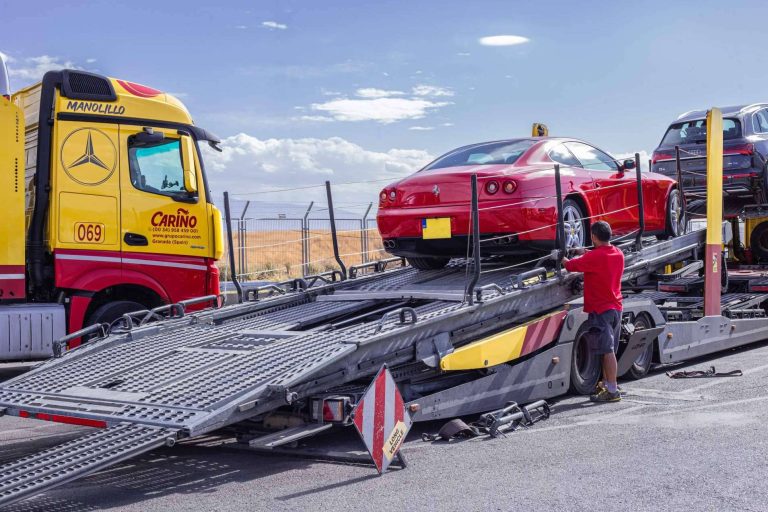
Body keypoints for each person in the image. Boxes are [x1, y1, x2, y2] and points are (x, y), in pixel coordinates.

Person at [559, 221, 625, 402]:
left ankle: (612, 390)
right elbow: (599, 257)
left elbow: (571, 266)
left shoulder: (594, 258)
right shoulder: (618, 253)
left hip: (601, 309)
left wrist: (560, 258)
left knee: (607, 349)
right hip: (616, 307)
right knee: (607, 350)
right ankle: (607, 384)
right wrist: (584, 252)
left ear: (594, 237)